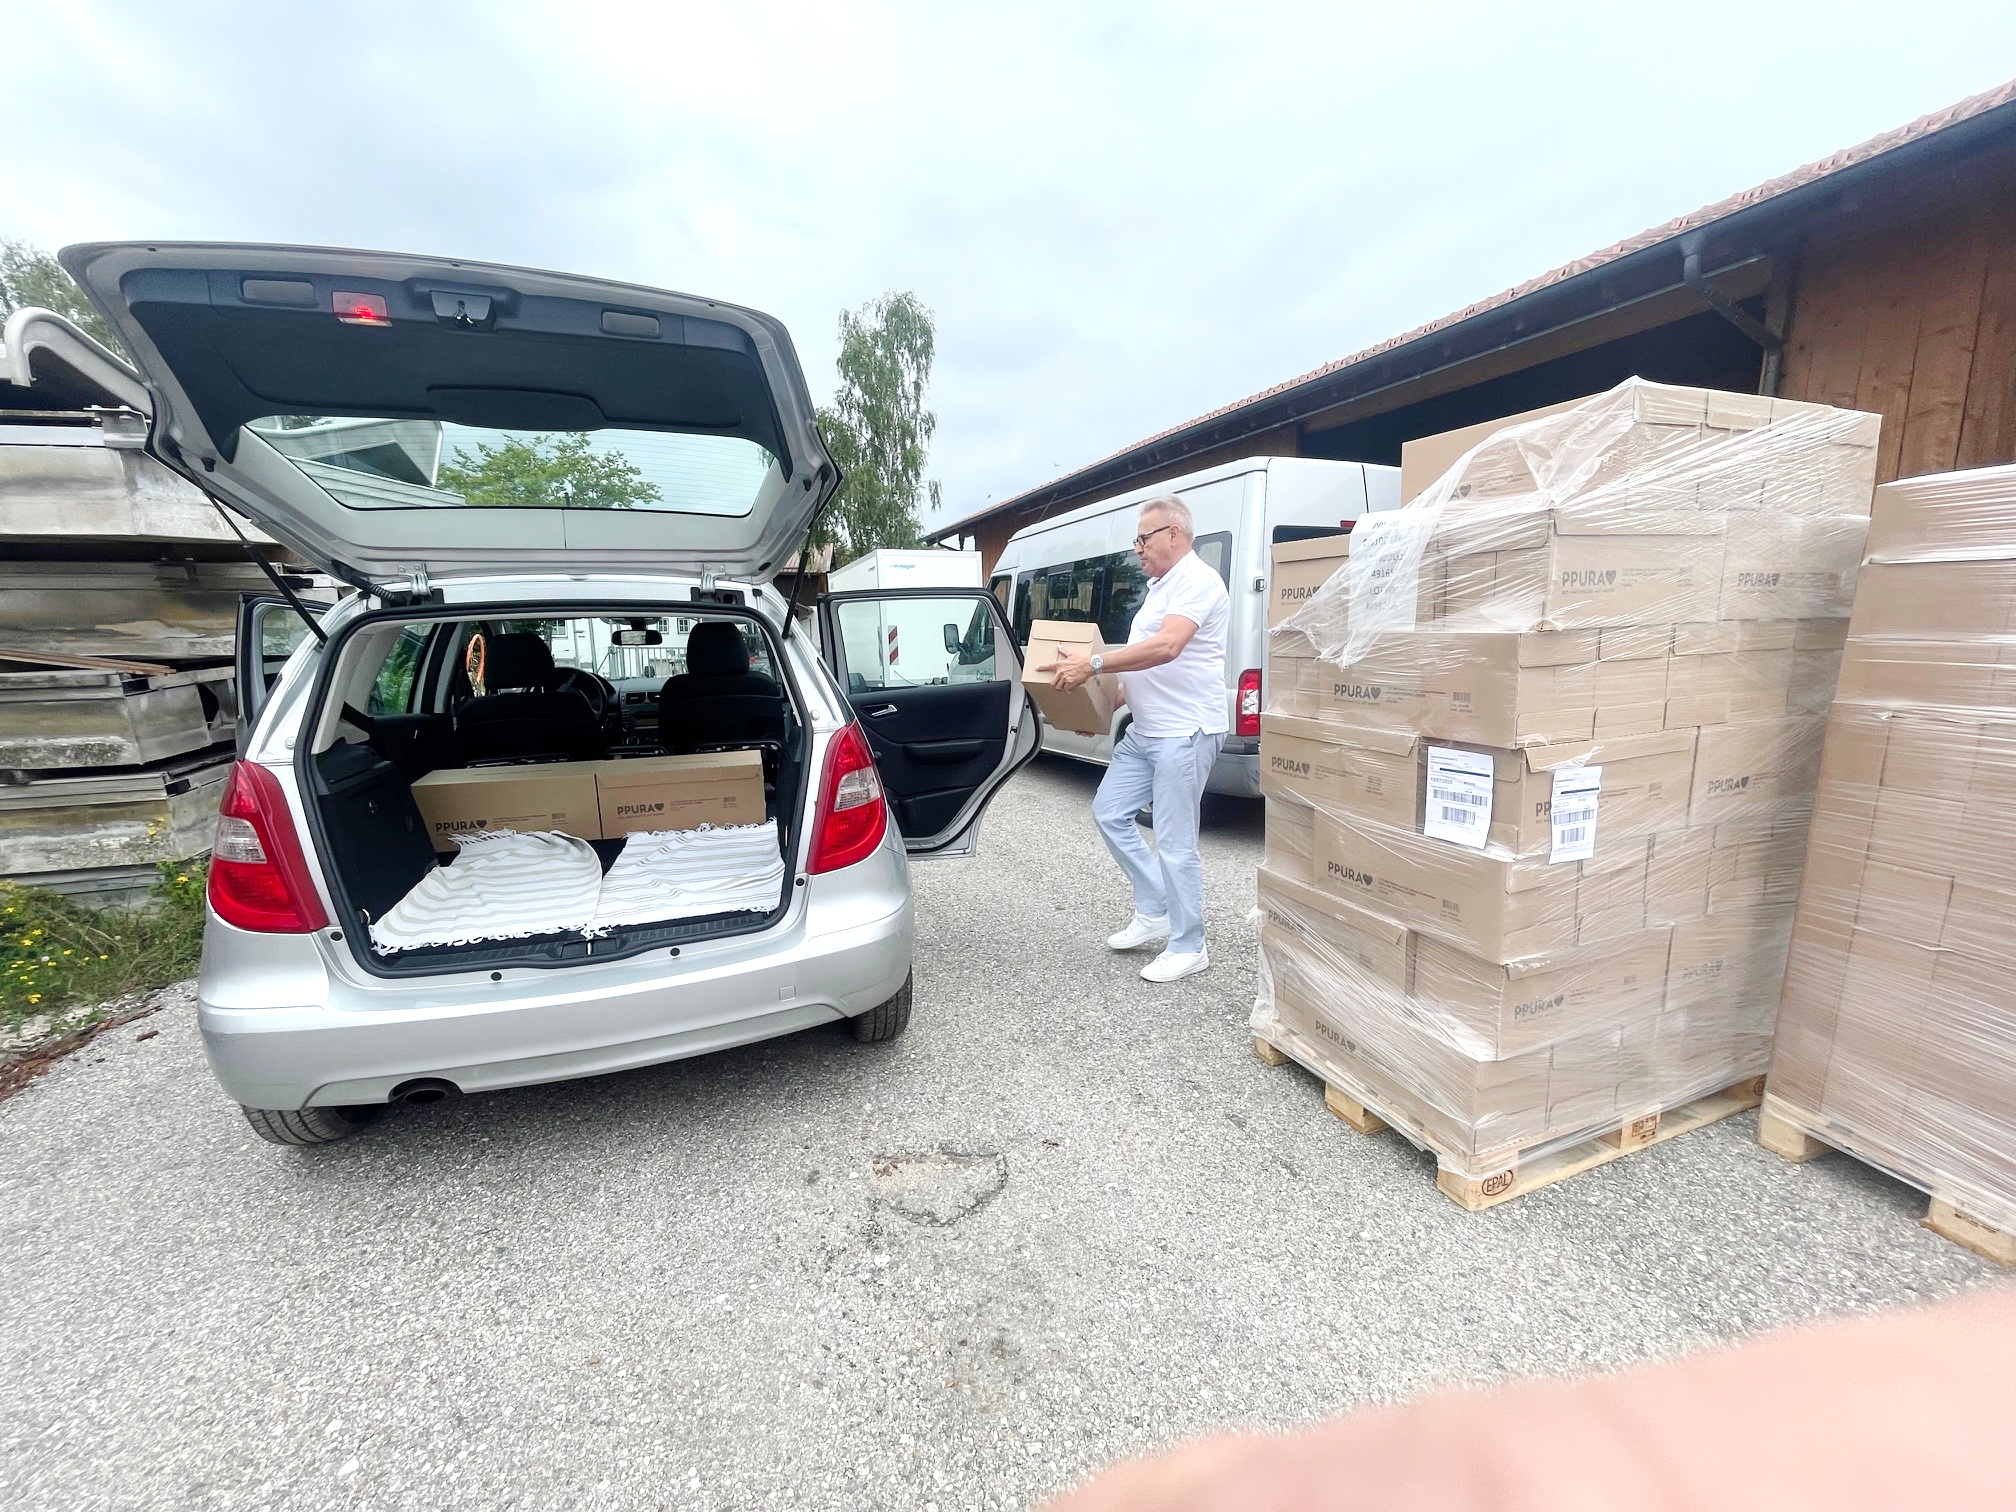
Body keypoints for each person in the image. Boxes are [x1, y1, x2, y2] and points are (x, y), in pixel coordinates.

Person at [1041, 496, 1229, 983]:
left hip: (1183, 732)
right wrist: (1102, 708)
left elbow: (1167, 647)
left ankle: (1190, 945)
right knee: (1109, 812)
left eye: (1144, 538)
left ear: (1174, 534)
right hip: (1145, 732)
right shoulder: (1160, 587)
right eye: (1137, 540)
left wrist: (1093, 663)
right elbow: (1144, 668)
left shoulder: (1197, 580)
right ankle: (1156, 908)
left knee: (1175, 841)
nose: (1137, 548)